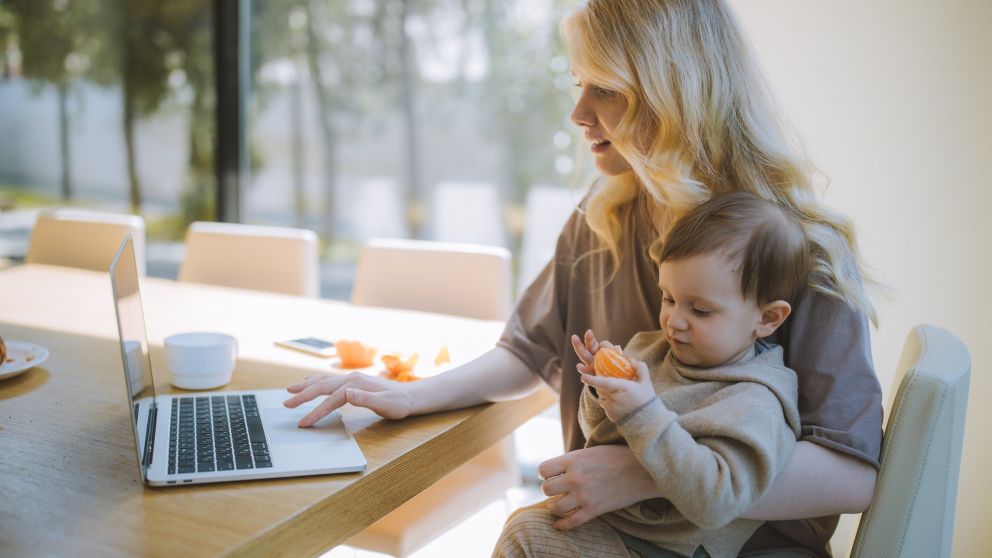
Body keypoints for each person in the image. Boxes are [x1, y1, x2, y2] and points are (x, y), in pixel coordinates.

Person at [284, 0, 883, 555]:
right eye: (579, 85)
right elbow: (529, 351)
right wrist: (411, 395)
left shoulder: (798, 247)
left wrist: (645, 474)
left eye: (607, 90)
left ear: (674, 93)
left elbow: (851, 473)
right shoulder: (603, 215)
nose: (578, 113)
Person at [494, 192, 810, 558]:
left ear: (768, 318)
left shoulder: (755, 400)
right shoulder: (652, 349)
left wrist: (642, 412)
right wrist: (602, 393)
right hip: (616, 528)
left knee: (526, 536)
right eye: (668, 298)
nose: (674, 321)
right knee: (526, 523)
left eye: (701, 310)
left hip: (669, 550)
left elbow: (717, 501)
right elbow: (599, 437)